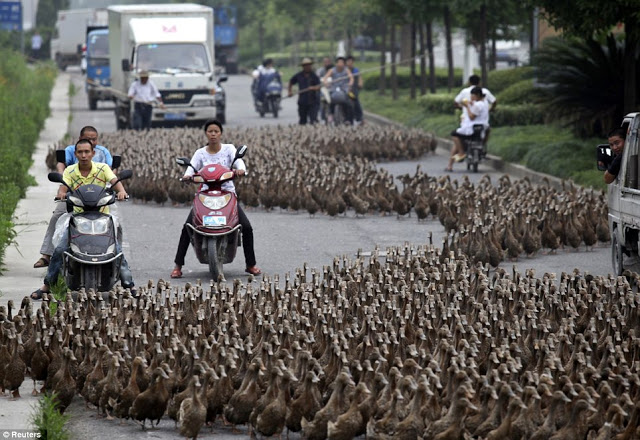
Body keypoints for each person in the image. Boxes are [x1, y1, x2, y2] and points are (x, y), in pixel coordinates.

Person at [31, 139, 133, 299]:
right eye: (80, 152)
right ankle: (47, 285)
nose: (84, 155)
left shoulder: (103, 168)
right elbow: (63, 187)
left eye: (87, 152)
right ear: (76, 154)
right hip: (77, 216)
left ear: (93, 153)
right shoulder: (70, 171)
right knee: (60, 249)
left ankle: (129, 283)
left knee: (117, 250)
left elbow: (115, 182)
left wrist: (121, 192)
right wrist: (61, 194)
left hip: (102, 216)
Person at [171, 119, 261, 278]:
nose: (213, 134)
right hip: (205, 195)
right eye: (210, 131)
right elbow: (190, 169)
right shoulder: (200, 153)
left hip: (227, 194)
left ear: (221, 133)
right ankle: (178, 265)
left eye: (216, 131)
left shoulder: (229, 149)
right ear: (206, 134)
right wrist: (186, 177)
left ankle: (251, 264)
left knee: (246, 227)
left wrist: (240, 170)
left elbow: (240, 164)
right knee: (187, 227)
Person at [33, 126, 113, 268]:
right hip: (74, 195)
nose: (90, 141)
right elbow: (61, 164)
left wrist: (116, 189)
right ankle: (47, 254)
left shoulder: (103, 153)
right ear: (79, 140)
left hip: (97, 196)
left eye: (93, 139)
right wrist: (62, 186)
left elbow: (112, 171)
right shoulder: (71, 151)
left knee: (113, 224)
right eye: (87, 139)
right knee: (57, 216)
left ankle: (116, 262)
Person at [445, 86, 489, 172]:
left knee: (454, 134)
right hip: (482, 128)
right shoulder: (484, 103)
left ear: (477, 95)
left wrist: (467, 106)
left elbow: (472, 116)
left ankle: (461, 152)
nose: (471, 97)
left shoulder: (477, 105)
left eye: (472, 96)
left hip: (472, 129)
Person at [288, 58, 321, 125]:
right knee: (302, 121)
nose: (307, 67)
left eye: (309, 65)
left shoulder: (314, 76)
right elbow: (291, 82)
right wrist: (290, 91)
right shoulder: (299, 75)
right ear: (303, 67)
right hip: (302, 101)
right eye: (306, 65)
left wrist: (313, 88)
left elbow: (319, 86)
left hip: (313, 101)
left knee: (313, 120)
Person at [322, 56, 354, 124]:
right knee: (329, 100)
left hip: (344, 89)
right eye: (339, 62)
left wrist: (350, 84)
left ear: (344, 64)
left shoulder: (346, 70)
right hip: (334, 88)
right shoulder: (332, 70)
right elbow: (325, 78)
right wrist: (326, 83)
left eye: (342, 62)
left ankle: (347, 118)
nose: (340, 64)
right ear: (336, 63)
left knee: (349, 102)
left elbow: (351, 78)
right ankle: (331, 114)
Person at [346, 55, 364, 125]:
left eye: (351, 61)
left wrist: (360, 83)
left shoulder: (356, 70)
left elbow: (360, 78)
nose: (349, 63)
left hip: (353, 90)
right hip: (344, 89)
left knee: (355, 100)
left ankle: (360, 117)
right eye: (348, 61)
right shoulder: (344, 70)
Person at [315, 57, 333, 123]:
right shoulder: (320, 71)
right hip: (322, 89)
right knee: (318, 98)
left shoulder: (333, 70)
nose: (326, 63)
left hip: (332, 89)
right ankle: (319, 116)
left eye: (328, 62)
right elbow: (317, 79)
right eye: (325, 62)